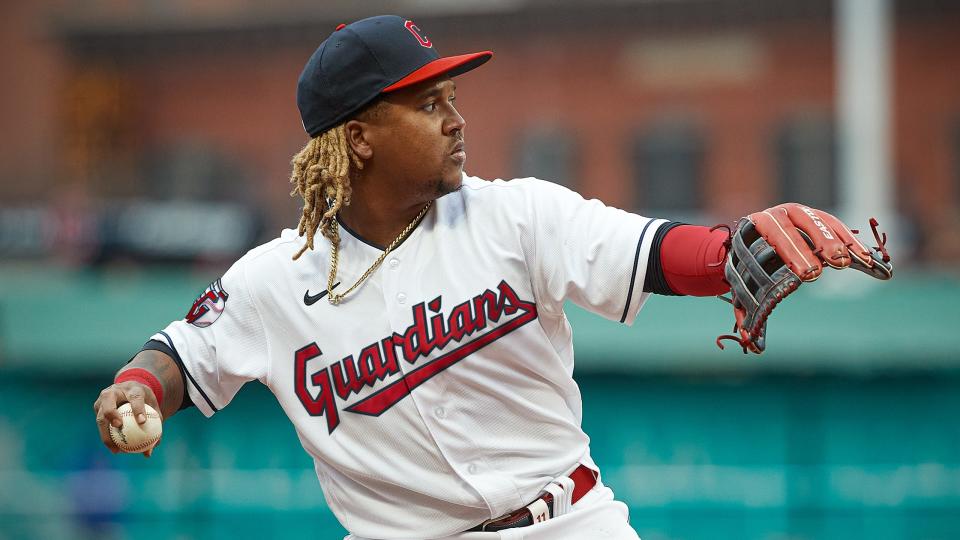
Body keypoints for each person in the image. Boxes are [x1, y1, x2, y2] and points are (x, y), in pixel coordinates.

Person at [92, 15, 884, 540]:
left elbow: (645, 249)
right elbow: (180, 354)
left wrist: (729, 251)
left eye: (453, 97)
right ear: (359, 139)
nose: (456, 118)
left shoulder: (517, 216)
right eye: (427, 103)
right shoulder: (273, 280)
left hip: (571, 524)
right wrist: (135, 384)